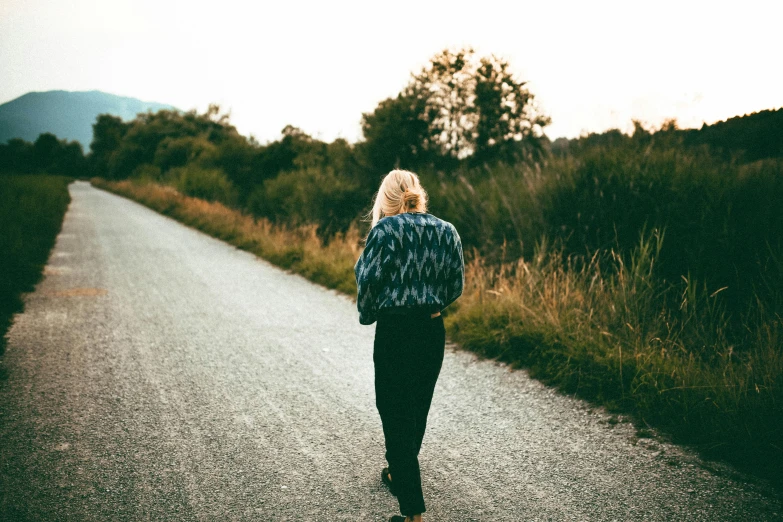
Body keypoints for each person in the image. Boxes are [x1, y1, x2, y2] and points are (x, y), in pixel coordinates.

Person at [354, 169, 464, 522]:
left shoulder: (383, 232)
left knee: (393, 411)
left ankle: (414, 513)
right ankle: (398, 472)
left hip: (396, 331)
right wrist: (431, 305)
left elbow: (368, 283)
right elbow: (455, 285)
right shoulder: (447, 231)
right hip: (432, 330)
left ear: (384, 201)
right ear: (420, 196)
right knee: (416, 409)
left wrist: (369, 314)